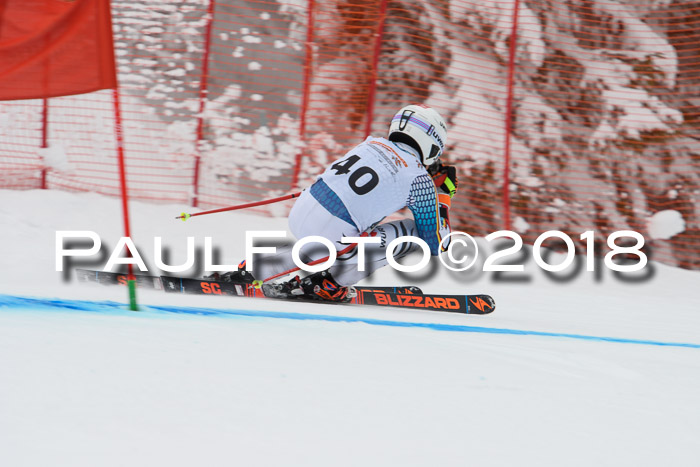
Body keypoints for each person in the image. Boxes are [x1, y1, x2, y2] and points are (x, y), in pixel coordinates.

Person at [211, 104, 458, 302]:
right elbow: (439, 243)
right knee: (413, 235)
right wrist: (444, 194)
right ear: (432, 142)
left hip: (302, 212)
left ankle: (249, 271)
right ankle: (328, 285)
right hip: (333, 232)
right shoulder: (419, 179)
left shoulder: (372, 143)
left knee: (326, 238)